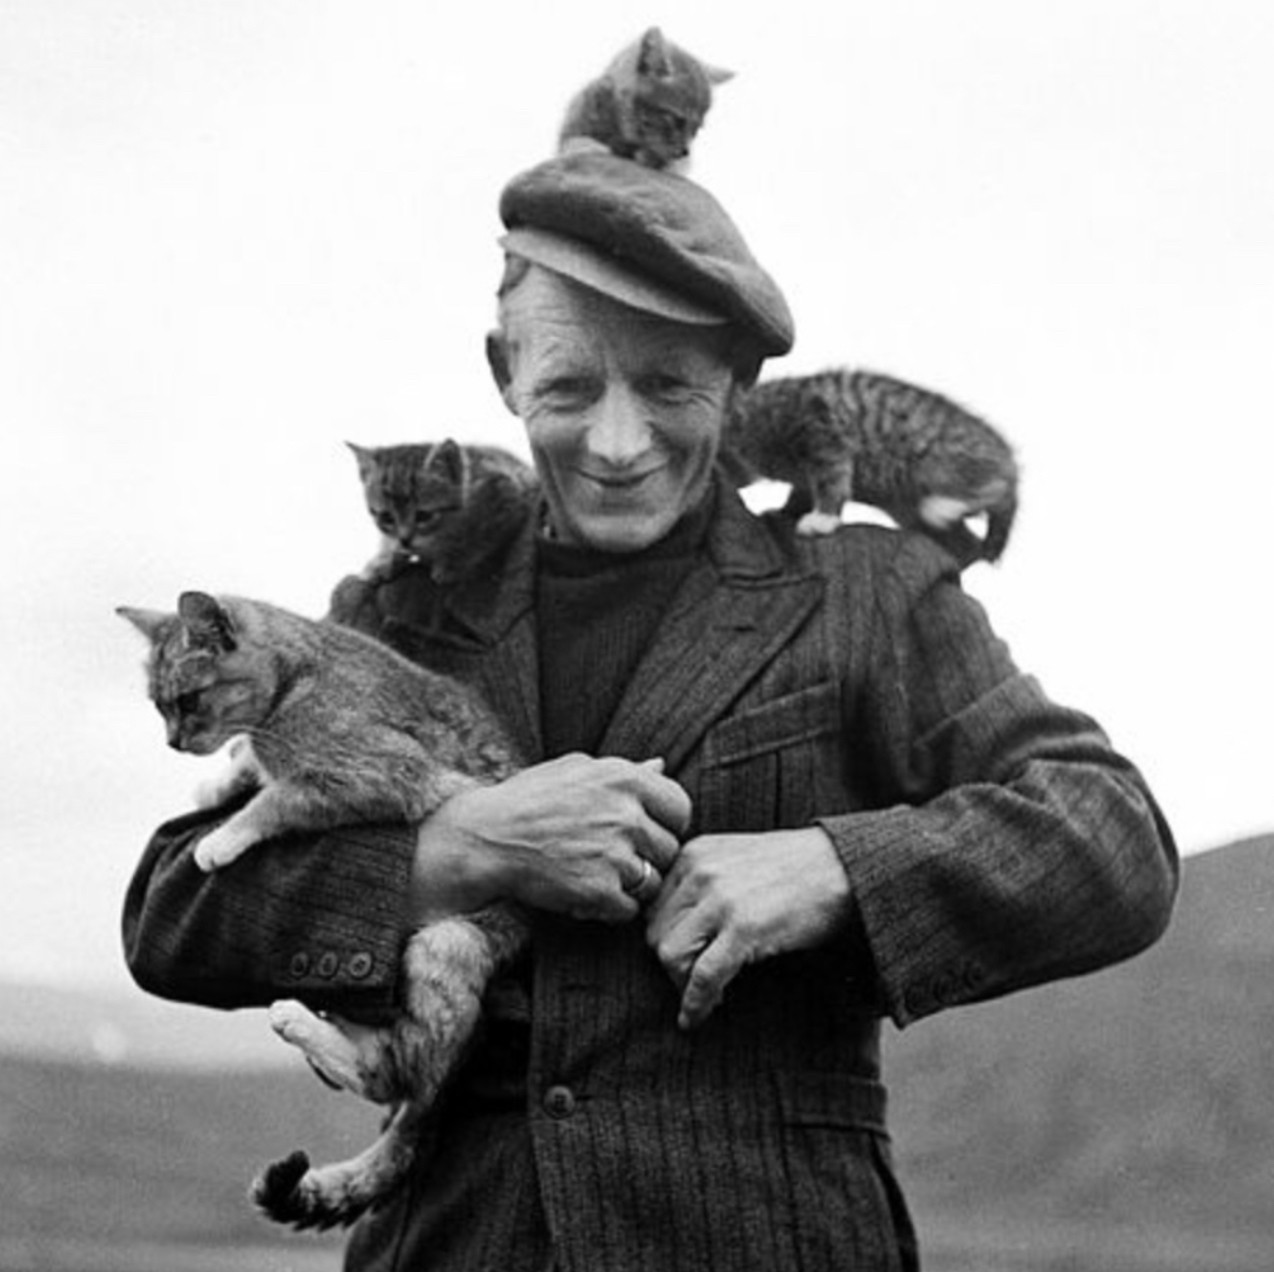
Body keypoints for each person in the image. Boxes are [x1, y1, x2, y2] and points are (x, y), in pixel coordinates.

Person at [122, 144, 1178, 1270]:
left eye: (669, 385)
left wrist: (833, 868)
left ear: (738, 384)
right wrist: (455, 851)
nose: (618, 444)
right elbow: (171, 916)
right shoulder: (399, 611)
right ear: (503, 372)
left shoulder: (866, 592)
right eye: (569, 388)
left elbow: (1112, 840)